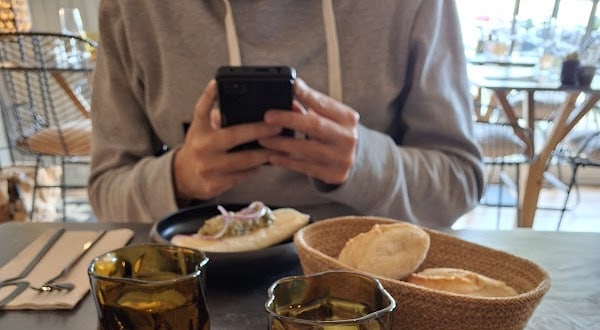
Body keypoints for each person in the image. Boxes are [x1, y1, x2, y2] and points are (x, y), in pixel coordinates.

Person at [88, 0, 484, 229]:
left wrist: (363, 164)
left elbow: (460, 180)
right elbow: (106, 188)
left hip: (369, 279)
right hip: (197, 277)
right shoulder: (132, 9)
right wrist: (178, 179)